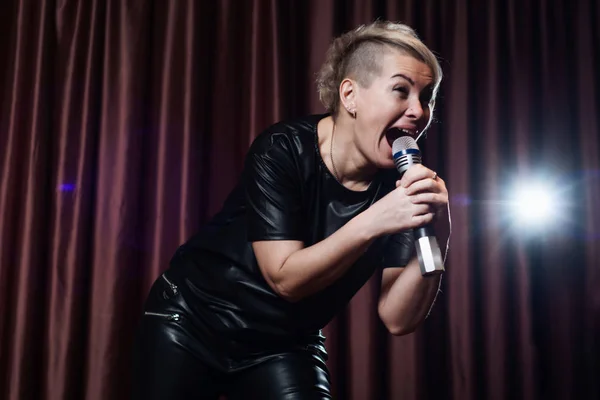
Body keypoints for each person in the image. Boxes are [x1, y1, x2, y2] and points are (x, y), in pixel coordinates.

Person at [132, 20, 450, 400]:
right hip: (192, 322)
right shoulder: (281, 148)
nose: (418, 111)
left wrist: (440, 226)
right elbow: (284, 278)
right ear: (350, 95)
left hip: (284, 344)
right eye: (401, 91)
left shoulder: (398, 187)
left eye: (426, 96)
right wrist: (377, 219)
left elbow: (398, 318)